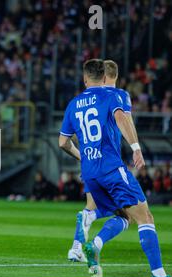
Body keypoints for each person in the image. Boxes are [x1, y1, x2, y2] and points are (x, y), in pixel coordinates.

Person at [59, 58, 171, 277]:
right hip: (111, 168)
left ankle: (95, 239)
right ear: (104, 77)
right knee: (145, 217)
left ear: (85, 78)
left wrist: (83, 156)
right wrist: (136, 147)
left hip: (90, 173)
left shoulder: (73, 104)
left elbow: (62, 142)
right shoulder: (113, 95)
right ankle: (159, 274)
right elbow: (121, 118)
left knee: (123, 216)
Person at [67, 60, 139, 262]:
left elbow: (66, 138)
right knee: (128, 215)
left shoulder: (82, 101)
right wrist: (136, 148)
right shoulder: (118, 96)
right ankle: (94, 244)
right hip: (109, 164)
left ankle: (76, 248)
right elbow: (126, 123)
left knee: (90, 207)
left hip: (90, 163)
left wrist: (83, 153)